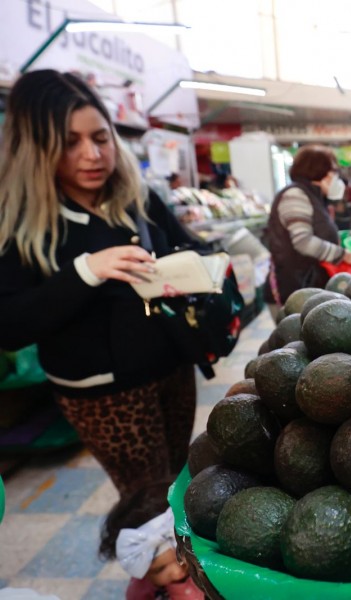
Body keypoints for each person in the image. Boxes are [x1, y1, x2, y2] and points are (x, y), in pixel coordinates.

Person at [0, 70, 202, 500]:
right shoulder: (19, 225)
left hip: (172, 368)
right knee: (147, 505)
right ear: (36, 149)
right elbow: (10, 324)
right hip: (103, 395)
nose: (92, 155)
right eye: (69, 142)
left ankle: (181, 566)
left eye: (100, 137)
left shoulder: (138, 198)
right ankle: (159, 569)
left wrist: (197, 269)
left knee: (185, 488)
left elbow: (191, 246)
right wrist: (86, 271)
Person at [265, 145, 351, 307]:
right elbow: (303, 242)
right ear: (319, 171)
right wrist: (343, 254)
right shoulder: (295, 195)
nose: (334, 177)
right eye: (332, 171)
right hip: (294, 290)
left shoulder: (313, 197)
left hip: (308, 286)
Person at [100, 479, 204, 599]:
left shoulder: (210, 566)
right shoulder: (140, 593)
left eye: (183, 555)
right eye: (159, 569)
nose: (177, 573)